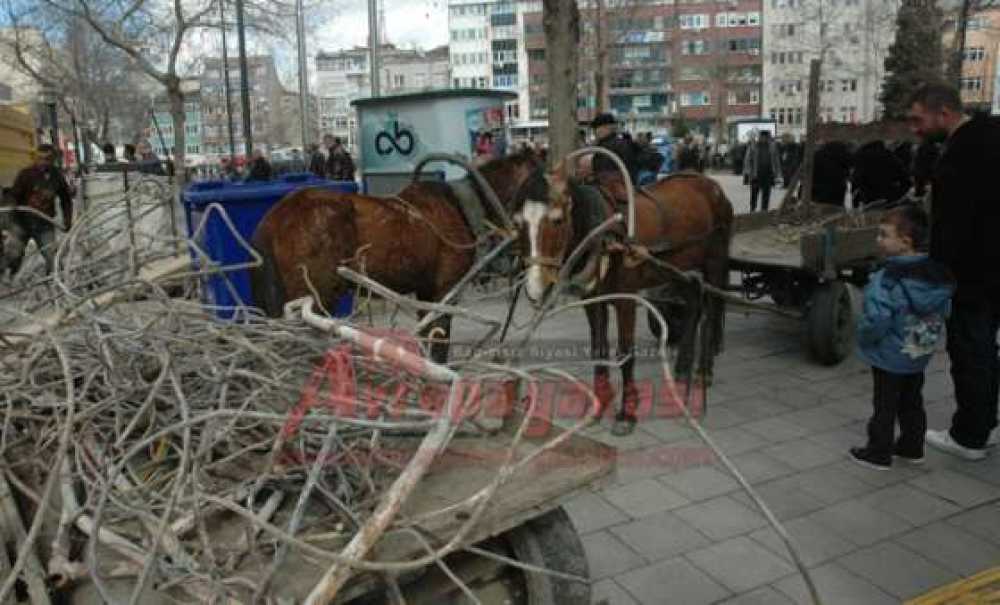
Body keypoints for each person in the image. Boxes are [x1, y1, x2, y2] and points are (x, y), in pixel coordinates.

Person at [907, 82, 1000, 459]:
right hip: (995, 266)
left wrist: (936, 273)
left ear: (943, 113)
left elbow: (952, 225)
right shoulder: (992, 135)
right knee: (986, 349)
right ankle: (986, 424)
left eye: (918, 119)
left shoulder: (962, 152)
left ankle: (969, 436)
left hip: (975, 273)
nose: (915, 127)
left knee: (970, 350)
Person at [850, 205, 954, 470]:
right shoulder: (938, 276)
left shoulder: (886, 279)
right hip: (917, 353)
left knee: (884, 404)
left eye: (884, 235)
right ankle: (911, 446)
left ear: (905, 242)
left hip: (888, 355)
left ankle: (878, 452)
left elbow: (877, 320)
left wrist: (863, 337)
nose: (878, 240)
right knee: (912, 400)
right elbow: (943, 311)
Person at [5, 144, 73, 276]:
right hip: (22, 222)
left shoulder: (57, 176)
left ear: (52, 160)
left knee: (53, 257)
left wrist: (67, 219)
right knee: (13, 254)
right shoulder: (26, 174)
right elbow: (13, 194)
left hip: (44, 223)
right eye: (40, 158)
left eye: (47, 159)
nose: (43, 162)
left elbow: (66, 199)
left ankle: (54, 281)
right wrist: (11, 205)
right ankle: (9, 278)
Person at [850, 140, 911, 208]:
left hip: (869, 200)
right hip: (888, 200)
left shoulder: (859, 157)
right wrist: (896, 195)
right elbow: (906, 181)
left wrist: (856, 202)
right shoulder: (889, 156)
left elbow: (856, 181)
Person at [742, 130, 782, 212]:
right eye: (762, 137)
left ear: (768, 138)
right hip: (756, 174)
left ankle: (764, 209)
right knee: (754, 193)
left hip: (768, 173)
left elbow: (776, 160)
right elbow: (747, 159)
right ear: (759, 137)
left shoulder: (772, 146)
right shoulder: (753, 146)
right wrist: (748, 171)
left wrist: (778, 173)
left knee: (766, 193)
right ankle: (753, 208)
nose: (763, 139)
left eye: (765, 137)